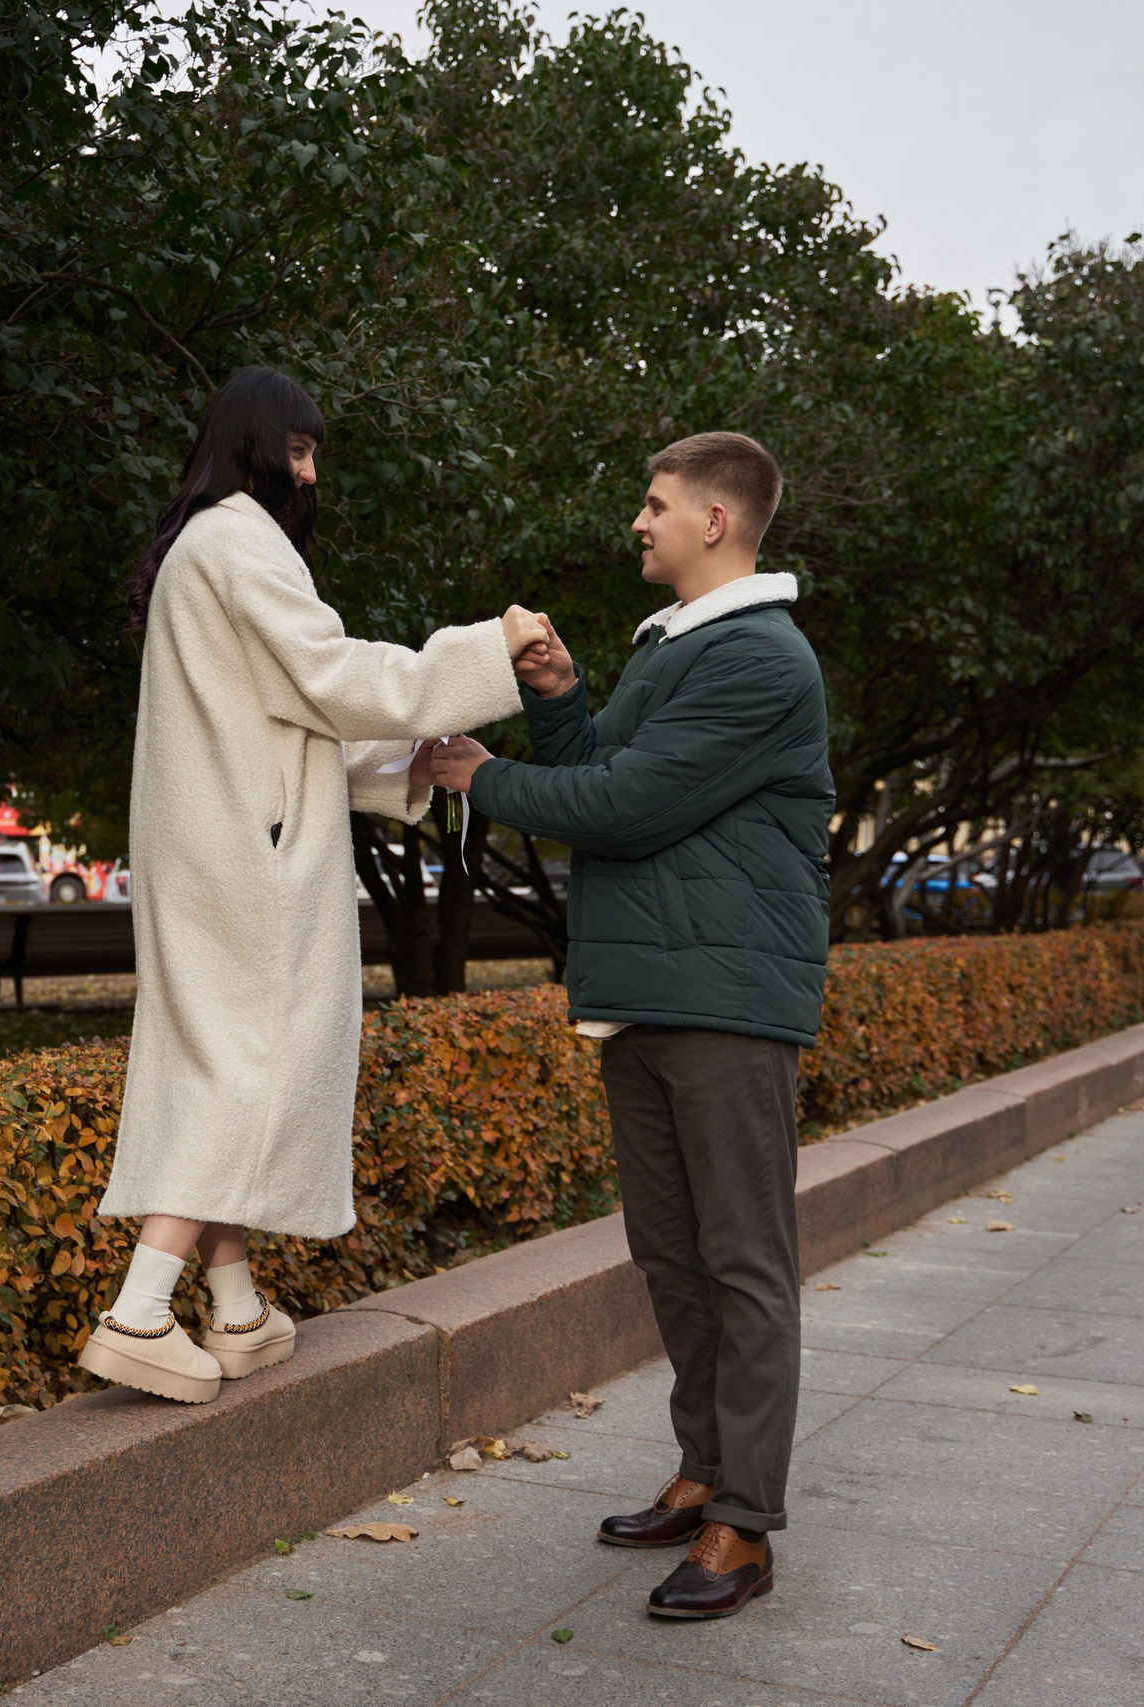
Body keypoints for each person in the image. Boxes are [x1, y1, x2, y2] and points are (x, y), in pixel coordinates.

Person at [79, 365, 556, 1403]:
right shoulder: (237, 539)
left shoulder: (202, 547)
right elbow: (333, 676)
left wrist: (401, 767)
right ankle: (139, 1310)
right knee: (245, 1065)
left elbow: (277, 720)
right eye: (297, 451)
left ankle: (238, 1306)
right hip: (248, 858)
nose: (309, 472)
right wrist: (488, 648)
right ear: (255, 447)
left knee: (226, 1056)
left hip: (218, 844)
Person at [428, 431, 831, 1621]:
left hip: (725, 1002)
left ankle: (745, 1525)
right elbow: (607, 762)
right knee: (673, 1255)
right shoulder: (678, 645)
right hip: (648, 993)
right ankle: (704, 1470)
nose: (637, 524)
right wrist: (560, 698)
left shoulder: (763, 657)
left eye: (655, 506)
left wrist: (479, 777)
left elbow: (628, 806)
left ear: (716, 520)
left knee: (746, 1264)